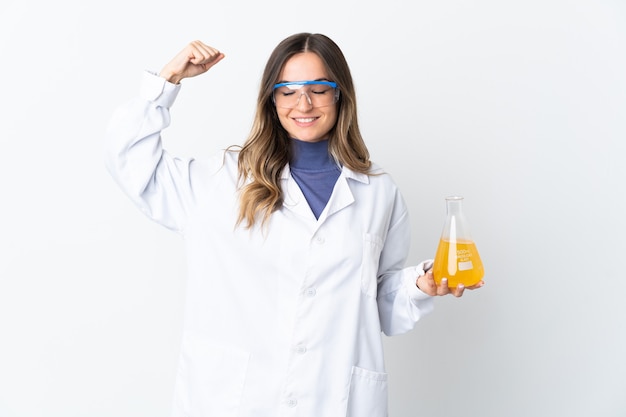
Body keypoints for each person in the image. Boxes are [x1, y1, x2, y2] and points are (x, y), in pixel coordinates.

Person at [104, 33, 483, 417]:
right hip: (237, 401)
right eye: (288, 91)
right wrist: (168, 80)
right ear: (272, 99)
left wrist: (421, 285)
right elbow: (131, 164)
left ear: (340, 96)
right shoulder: (222, 181)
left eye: (319, 89)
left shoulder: (378, 192)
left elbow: (378, 304)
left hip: (333, 400)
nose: (304, 103)